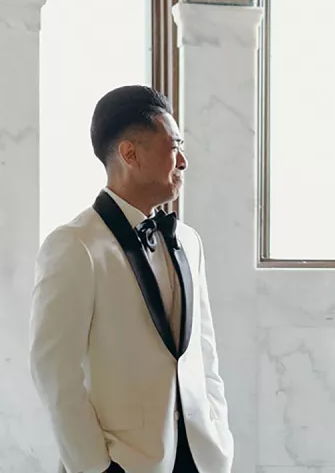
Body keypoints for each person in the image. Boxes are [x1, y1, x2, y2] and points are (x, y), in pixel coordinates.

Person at [31, 85, 233, 473]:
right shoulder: (74, 245)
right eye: (174, 146)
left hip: (202, 459)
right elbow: (54, 373)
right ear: (129, 153)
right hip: (125, 463)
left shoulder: (189, 241)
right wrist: (96, 467)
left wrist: (220, 439)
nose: (184, 161)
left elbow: (205, 356)